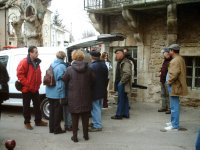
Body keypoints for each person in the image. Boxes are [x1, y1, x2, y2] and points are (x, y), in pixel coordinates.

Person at [63, 49, 94, 142]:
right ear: (82, 57)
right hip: (86, 96)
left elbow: (64, 80)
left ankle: (75, 137)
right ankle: (86, 136)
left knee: (74, 117)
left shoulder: (69, 69)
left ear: (73, 57)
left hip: (73, 97)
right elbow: (93, 81)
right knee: (85, 117)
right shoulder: (89, 68)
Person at [16, 46, 47, 130]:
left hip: (35, 88)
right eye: (36, 52)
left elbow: (39, 74)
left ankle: (38, 121)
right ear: (30, 53)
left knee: (37, 105)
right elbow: (20, 75)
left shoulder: (37, 62)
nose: (37, 53)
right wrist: (28, 84)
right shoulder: (24, 62)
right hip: (27, 89)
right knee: (26, 106)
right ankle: (27, 122)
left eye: (37, 52)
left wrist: (39, 83)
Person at [163, 44, 188, 131]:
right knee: (174, 104)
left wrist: (168, 82)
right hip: (175, 85)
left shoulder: (175, 60)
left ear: (172, 51)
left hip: (174, 85)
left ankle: (174, 125)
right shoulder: (179, 59)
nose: (168, 52)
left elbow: (174, 74)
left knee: (174, 106)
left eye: (169, 50)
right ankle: (173, 122)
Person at [46, 51, 67, 134]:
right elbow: (62, 78)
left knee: (52, 111)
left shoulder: (52, 64)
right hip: (57, 92)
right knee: (58, 112)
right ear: (63, 57)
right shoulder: (62, 66)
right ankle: (57, 129)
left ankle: (51, 128)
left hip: (49, 91)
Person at [89, 50, 108, 132]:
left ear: (92, 57)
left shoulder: (92, 66)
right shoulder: (104, 65)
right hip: (102, 89)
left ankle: (97, 125)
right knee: (98, 108)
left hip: (95, 90)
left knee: (95, 108)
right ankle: (95, 122)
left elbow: (90, 80)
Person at [111, 49, 132, 120]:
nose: (116, 55)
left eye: (118, 53)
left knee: (121, 99)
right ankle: (126, 114)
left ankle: (119, 115)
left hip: (123, 83)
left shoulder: (125, 62)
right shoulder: (121, 61)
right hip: (121, 83)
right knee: (124, 99)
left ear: (122, 54)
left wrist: (121, 82)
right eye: (116, 53)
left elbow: (127, 73)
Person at [158, 48, 171, 114]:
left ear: (167, 53)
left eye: (163, 53)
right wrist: (160, 71)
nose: (163, 55)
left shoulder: (171, 60)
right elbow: (163, 68)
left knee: (168, 94)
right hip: (162, 80)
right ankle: (164, 107)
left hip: (167, 80)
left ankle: (169, 108)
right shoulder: (165, 60)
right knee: (163, 94)